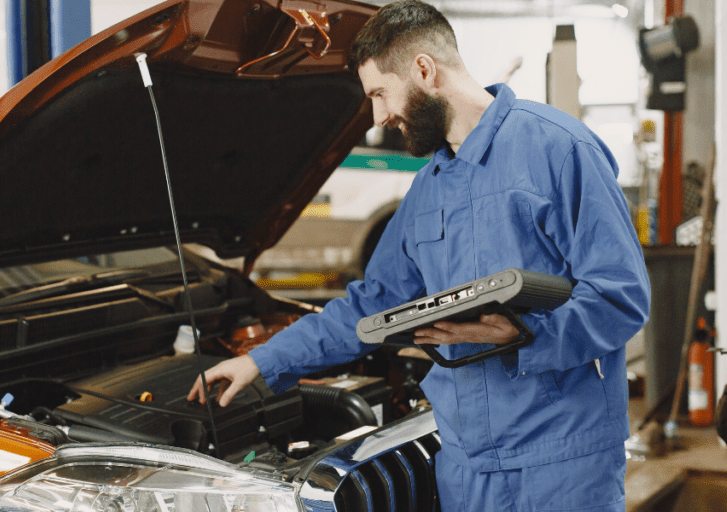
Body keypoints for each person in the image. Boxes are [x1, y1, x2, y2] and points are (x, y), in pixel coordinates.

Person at [188, 1, 650, 509]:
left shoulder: (559, 150)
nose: (380, 115)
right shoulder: (428, 190)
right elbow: (369, 306)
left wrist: (526, 335)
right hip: (466, 463)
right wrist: (260, 362)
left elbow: (620, 295)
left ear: (425, 70)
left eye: (380, 93)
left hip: (561, 460)